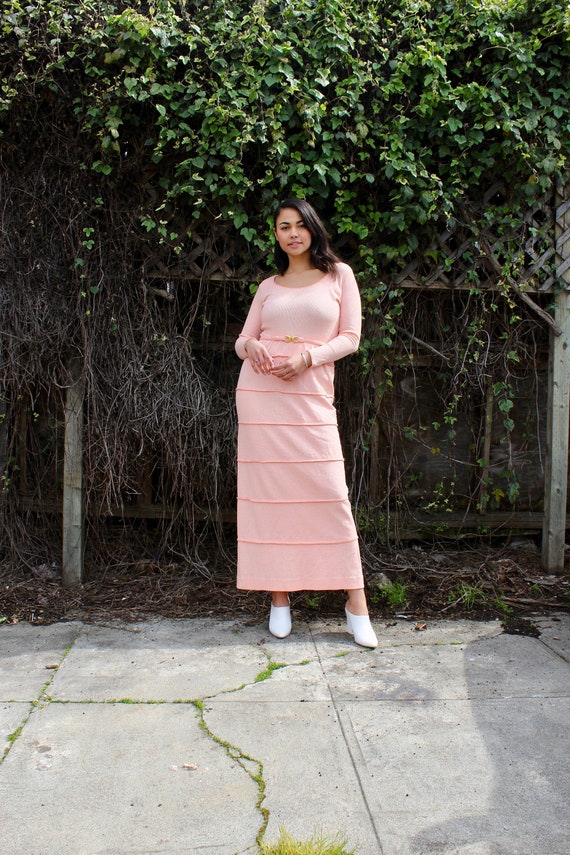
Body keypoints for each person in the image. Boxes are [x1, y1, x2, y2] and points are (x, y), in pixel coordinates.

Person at [234, 198, 377, 648]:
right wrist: (250, 347)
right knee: (270, 497)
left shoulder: (340, 276)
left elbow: (350, 339)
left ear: (313, 229)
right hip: (261, 396)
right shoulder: (268, 285)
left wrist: (307, 358)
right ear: (275, 235)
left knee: (328, 493)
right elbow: (243, 337)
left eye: (299, 225)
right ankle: (279, 599)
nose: (292, 233)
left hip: (311, 396)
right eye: (283, 227)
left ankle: (356, 605)